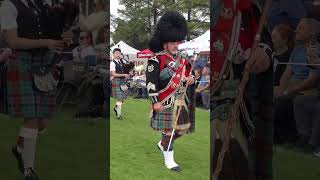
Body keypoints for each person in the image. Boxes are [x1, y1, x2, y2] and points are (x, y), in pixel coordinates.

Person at [0, 0, 73, 179]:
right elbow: (12, 41)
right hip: (21, 62)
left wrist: (63, 36)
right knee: (31, 116)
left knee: (43, 121)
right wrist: (46, 42)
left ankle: (19, 147)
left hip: (43, 63)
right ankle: (29, 170)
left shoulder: (41, 5)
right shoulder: (8, 5)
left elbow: (51, 31)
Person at [211, 1, 273, 179]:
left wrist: (264, 52)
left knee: (232, 166)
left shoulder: (245, 6)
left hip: (229, 101)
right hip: (215, 100)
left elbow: (264, 37)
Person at [146, 11, 196, 172]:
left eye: (177, 42)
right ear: (164, 43)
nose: (176, 45)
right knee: (169, 131)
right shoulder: (156, 60)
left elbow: (191, 74)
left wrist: (191, 79)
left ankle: (162, 144)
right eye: (172, 42)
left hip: (181, 99)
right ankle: (170, 161)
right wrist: (156, 102)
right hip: (165, 100)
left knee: (182, 129)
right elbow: (150, 84)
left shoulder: (183, 59)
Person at [110, 48, 130, 119]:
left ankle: (116, 108)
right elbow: (114, 74)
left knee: (123, 98)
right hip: (117, 80)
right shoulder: (112, 63)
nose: (118, 54)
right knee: (119, 98)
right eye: (116, 53)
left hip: (123, 81)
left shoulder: (122, 61)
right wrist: (124, 75)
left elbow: (126, 68)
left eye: (119, 53)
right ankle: (119, 115)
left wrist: (128, 73)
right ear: (113, 54)